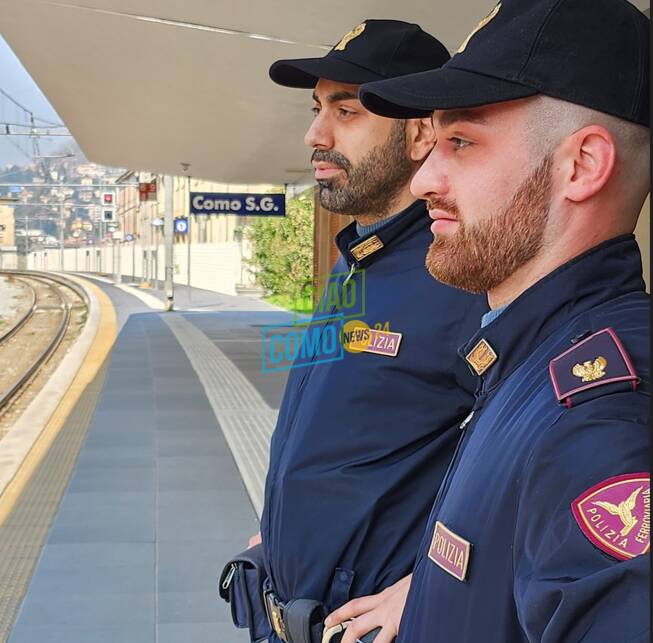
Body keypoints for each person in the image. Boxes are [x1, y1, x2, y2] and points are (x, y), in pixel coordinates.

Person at [333, 0, 650, 640]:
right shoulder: (530, 354)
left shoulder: (599, 417)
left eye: (462, 142)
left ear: (582, 165)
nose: (424, 179)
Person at [242, 19, 487, 643]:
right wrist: (283, 527)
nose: (314, 135)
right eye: (317, 108)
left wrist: (431, 585)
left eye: (345, 111)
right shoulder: (356, 259)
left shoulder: (463, 277)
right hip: (283, 611)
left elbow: (529, 463)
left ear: (419, 134)